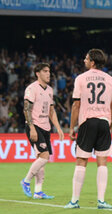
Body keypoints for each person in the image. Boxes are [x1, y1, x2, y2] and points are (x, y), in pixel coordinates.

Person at [64, 49, 112, 209]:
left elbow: (76, 105)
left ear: (93, 62)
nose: (84, 60)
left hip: (87, 122)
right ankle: (101, 201)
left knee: (81, 160)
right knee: (102, 162)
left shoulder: (81, 79)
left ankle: (74, 201)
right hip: (103, 122)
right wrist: (110, 125)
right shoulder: (110, 79)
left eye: (86, 58)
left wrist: (72, 127)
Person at [21, 63, 64, 199]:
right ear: (37, 74)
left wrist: (58, 127)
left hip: (46, 127)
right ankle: (26, 181)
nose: (48, 74)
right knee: (45, 156)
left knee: (41, 160)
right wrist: (32, 128)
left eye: (49, 71)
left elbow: (51, 111)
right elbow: (26, 109)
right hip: (35, 126)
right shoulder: (31, 89)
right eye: (45, 71)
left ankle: (38, 192)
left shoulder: (50, 90)